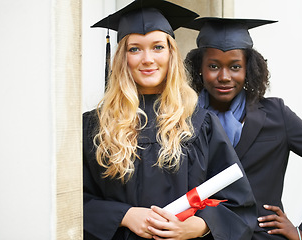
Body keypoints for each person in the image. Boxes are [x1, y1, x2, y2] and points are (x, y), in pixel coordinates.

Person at [83, 2, 257, 239]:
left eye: (157, 47)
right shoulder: (95, 126)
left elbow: (238, 203)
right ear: (122, 57)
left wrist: (197, 226)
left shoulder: (198, 122)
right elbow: (74, 201)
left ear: (171, 54)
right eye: (135, 49)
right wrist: (124, 215)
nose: (147, 59)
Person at [184, 17, 302, 240]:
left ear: (249, 69)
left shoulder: (276, 115)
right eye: (214, 66)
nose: (224, 77)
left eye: (235, 67)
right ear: (200, 69)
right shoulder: (184, 119)